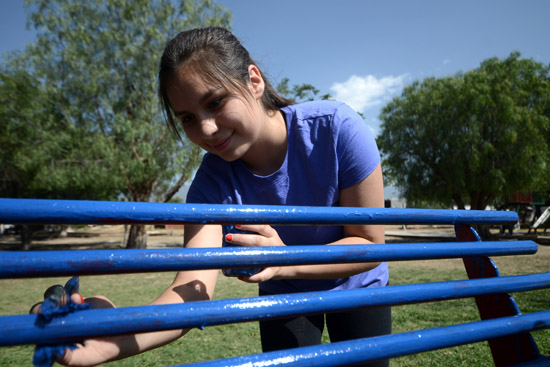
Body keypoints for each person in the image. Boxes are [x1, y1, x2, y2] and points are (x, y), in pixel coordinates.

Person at [31, 27, 391, 366]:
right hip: (285, 289)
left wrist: (286, 260)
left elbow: (368, 242)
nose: (205, 129)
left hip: (357, 284)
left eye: (216, 102)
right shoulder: (210, 184)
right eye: (187, 117)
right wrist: (113, 338)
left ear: (253, 80)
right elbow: (192, 289)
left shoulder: (338, 129)